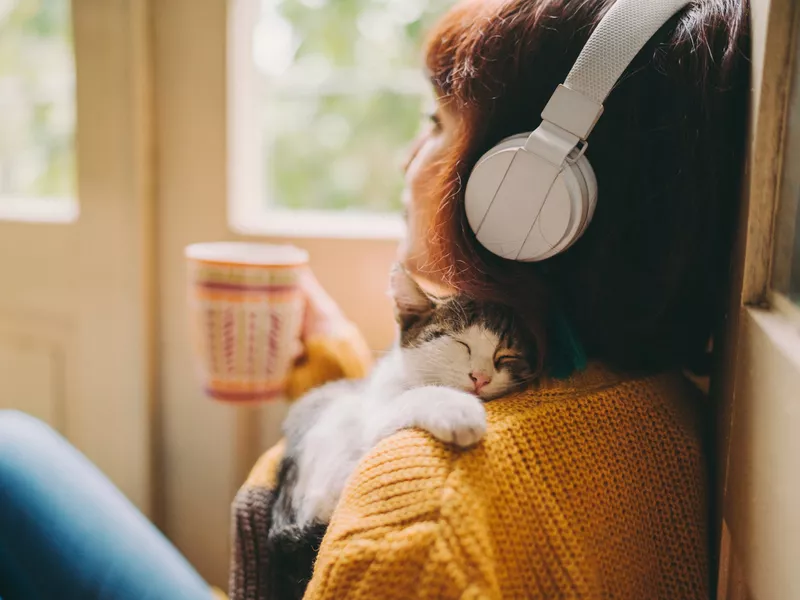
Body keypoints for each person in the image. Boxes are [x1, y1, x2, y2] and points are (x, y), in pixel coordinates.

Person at [0, 0, 749, 598]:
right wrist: (339, 382)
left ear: (526, 193)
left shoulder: (421, 529)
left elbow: (380, 539)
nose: (406, 155)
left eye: (436, 123)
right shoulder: (654, 395)